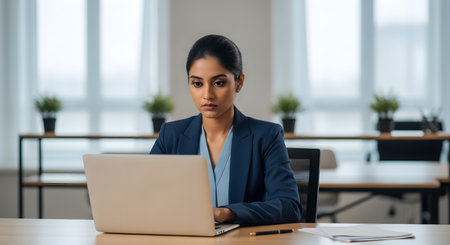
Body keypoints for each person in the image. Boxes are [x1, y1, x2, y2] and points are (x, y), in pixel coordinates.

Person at [150, 34, 301, 225]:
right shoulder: (171, 135)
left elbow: (289, 206)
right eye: (197, 83)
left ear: (239, 82)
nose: (207, 95)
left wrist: (228, 213)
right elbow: (147, 196)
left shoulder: (267, 135)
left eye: (219, 83)